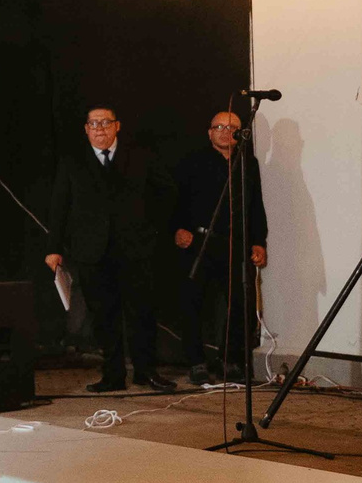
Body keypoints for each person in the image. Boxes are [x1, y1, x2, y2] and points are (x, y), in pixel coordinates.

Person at [41, 106, 175, 393]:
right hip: (92, 252)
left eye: (106, 122)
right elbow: (58, 207)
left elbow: (165, 194)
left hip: (136, 250)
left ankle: (145, 371)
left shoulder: (140, 157)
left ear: (118, 126)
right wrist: (54, 248)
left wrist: (153, 231)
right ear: (86, 129)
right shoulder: (72, 162)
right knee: (104, 316)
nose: (100, 128)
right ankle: (113, 375)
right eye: (94, 123)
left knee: (141, 313)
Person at [171, 111, 267, 385]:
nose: (226, 131)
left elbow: (255, 206)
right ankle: (196, 361)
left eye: (232, 127)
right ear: (209, 132)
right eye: (220, 127)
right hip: (199, 243)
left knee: (237, 304)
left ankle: (231, 360)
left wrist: (259, 241)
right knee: (194, 304)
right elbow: (175, 200)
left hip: (235, 244)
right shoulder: (192, 162)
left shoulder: (248, 164)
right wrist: (178, 229)